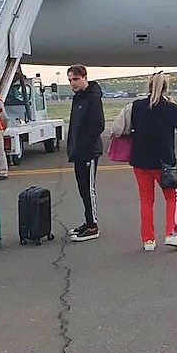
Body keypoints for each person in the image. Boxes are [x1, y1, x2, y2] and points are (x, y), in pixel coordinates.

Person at [129, 72, 177, 251]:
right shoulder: (170, 108)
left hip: (140, 161)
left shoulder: (137, 106)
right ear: (166, 88)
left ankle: (148, 239)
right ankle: (171, 233)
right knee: (172, 197)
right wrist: (175, 106)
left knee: (146, 201)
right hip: (164, 162)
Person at [66, 65, 104, 242]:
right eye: (70, 80)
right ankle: (87, 221)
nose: (72, 83)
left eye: (75, 79)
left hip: (88, 152)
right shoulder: (78, 98)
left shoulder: (93, 98)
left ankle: (93, 225)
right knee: (82, 189)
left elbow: (98, 125)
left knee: (89, 189)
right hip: (78, 152)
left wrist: (86, 146)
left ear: (84, 78)